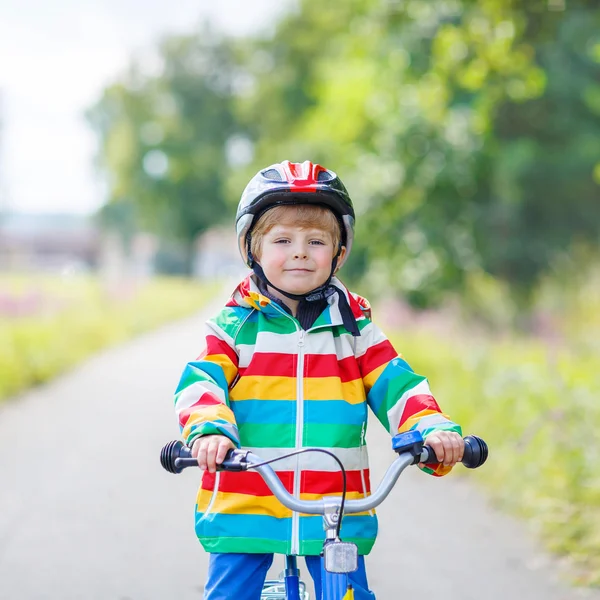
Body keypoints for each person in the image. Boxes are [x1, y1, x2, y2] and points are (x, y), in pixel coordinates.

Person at [173, 160, 464, 600]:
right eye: (282, 240)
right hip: (245, 501)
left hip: (334, 509)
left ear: (339, 252)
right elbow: (201, 382)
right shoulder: (235, 327)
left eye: (316, 241)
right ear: (252, 248)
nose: (300, 252)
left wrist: (431, 429)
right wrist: (209, 431)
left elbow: (399, 386)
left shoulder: (355, 329)